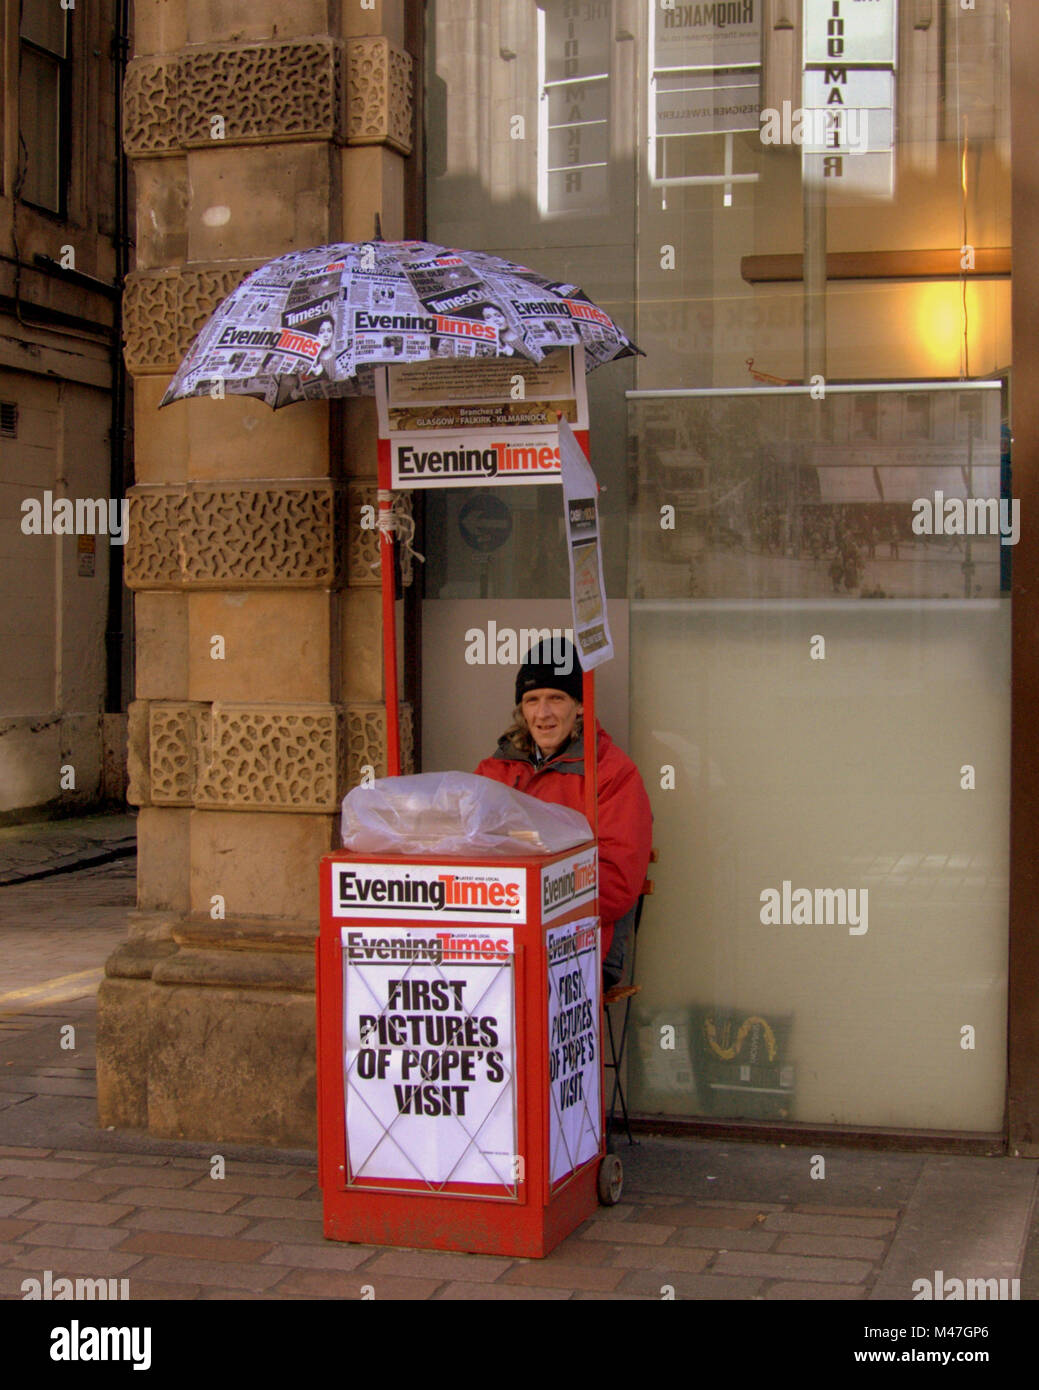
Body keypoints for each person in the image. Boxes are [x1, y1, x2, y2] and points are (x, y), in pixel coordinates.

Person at [475, 640, 653, 987]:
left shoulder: (613, 772)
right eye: (532, 700)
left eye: (556, 698)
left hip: (578, 944)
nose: (543, 714)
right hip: (499, 939)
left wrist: (531, 899)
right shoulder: (495, 768)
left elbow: (615, 885)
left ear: (581, 706)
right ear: (521, 711)